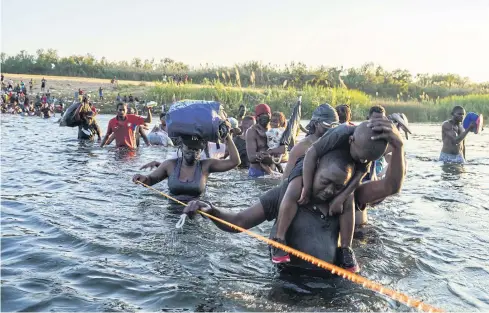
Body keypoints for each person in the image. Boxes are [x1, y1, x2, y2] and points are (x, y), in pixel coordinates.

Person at [183, 117, 405, 273]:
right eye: (325, 182)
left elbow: (392, 186)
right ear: (315, 170)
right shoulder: (285, 194)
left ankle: (346, 252)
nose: (329, 190)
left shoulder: (348, 198)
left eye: (338, 187)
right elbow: (239, 221)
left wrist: (398, 147)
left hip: (334, 289)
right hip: (289, 285)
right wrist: (210, 210)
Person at [299, 119, 389, 219]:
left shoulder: (367, 151)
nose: (362, 161)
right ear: (351, 140)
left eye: (366, 160)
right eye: (359, 158)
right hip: (319, 163)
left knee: (349, 199)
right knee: (296, 182)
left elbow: (360, 175)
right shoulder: (339, 134)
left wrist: (340, 199)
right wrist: (307, 188)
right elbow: (311, 153)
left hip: (344, 173)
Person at [132, 130, 241, 202]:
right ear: (181, 147)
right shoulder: (170, 165)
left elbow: (235, 161)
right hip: (172, 214)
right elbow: (150, 180)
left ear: (201, 151)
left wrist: (227, 137)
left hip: (197, 213)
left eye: (195, 149)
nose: (192, 152)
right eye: (189, 148)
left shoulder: (206, 165)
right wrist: (142, 178)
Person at [282, 104, 339, 179]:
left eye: (335, 125)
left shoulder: (336, 142)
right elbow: (286, 179)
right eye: (328, 125)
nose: (331, 128)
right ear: (316, 124)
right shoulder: (301, 147)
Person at [246, 104, 286, 177]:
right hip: (257, 172)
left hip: (272, 172)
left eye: (267, 114)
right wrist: (262, 156)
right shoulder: (252, 131)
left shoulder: (275, 129)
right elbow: (251, 157)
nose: (265, 116)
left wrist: (276, 161)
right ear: (257, 117)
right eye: (262, 114)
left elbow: (284, 151)